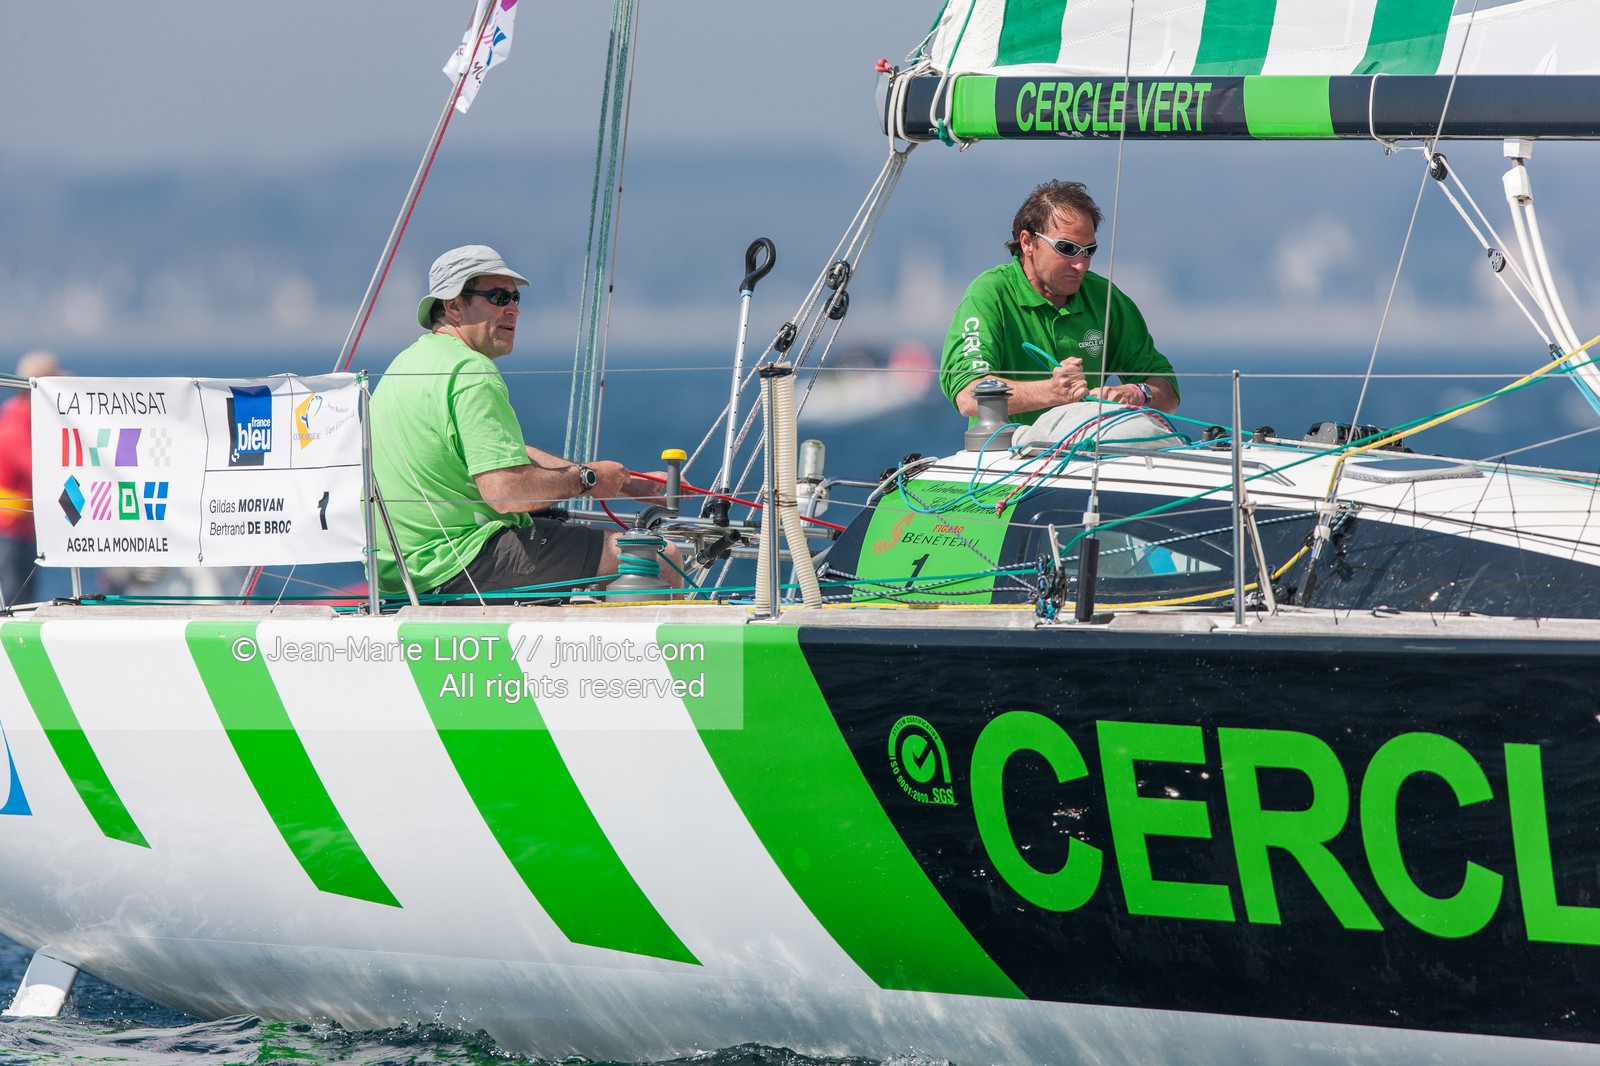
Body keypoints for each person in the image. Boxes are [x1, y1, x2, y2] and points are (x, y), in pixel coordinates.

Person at [371, 245, 679, 600]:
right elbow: (505, 492)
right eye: (499, 296)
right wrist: (588, 479)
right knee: (658, 558)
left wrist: (626, 483)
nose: (514, 309)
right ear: (453, 305)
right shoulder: (472, 372)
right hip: (457, 565)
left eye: (515, 298)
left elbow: (499, 455)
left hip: (400, 576)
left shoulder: (405, 364)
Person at [940, 180, 1179, 427]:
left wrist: (1138, 394)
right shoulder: (989, 294)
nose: (1081, 264)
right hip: (1008, 458)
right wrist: (1053, 391)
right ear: (1027, 242)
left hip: (1086, 457)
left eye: (1089, 251)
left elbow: (1168, 389)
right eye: (1067, 248)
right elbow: (968, 395)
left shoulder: (1104, 297)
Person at [0, 351, 62, 607]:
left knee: (22, 600)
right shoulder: (15, 425)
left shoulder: (26, 420)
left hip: (25, 530)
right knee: (13, 603)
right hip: (9, 532)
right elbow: (42, 469)